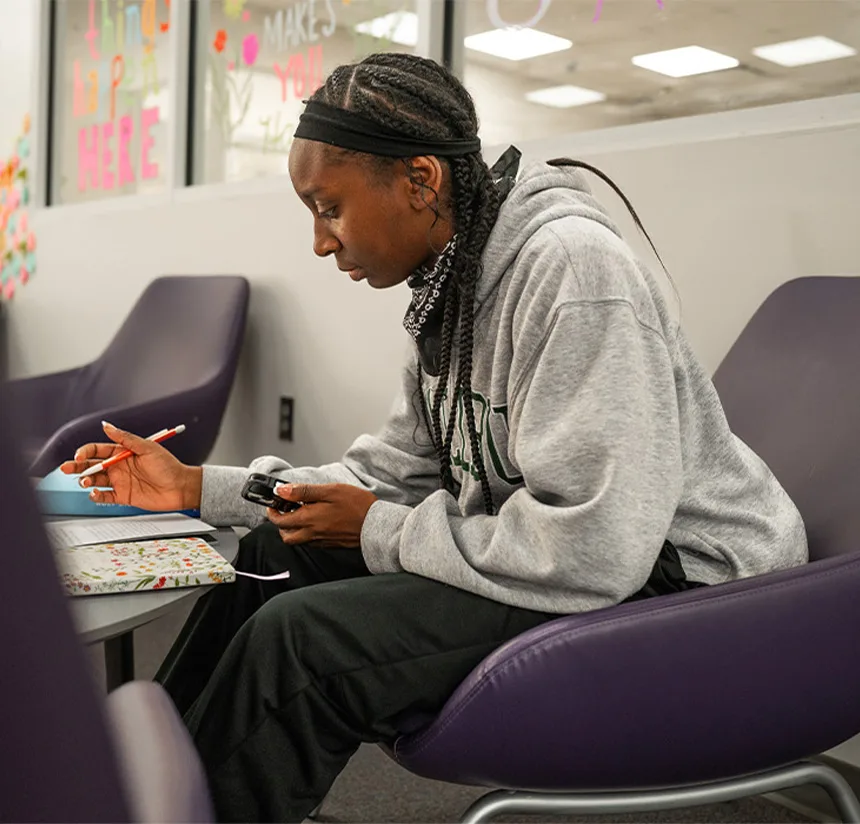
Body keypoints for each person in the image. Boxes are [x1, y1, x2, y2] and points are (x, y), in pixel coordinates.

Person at [61, 52, 808, 823]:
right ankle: (142, 805)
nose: (321, 243)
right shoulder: (451, 288)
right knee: (273, 557)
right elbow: (384, 473)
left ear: (421, 181)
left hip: (682, 583)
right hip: (578, 556)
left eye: (330, 208)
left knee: (302, 643)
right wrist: (201, 488)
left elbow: (598, 551)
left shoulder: (574, 273)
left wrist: (380, 532)